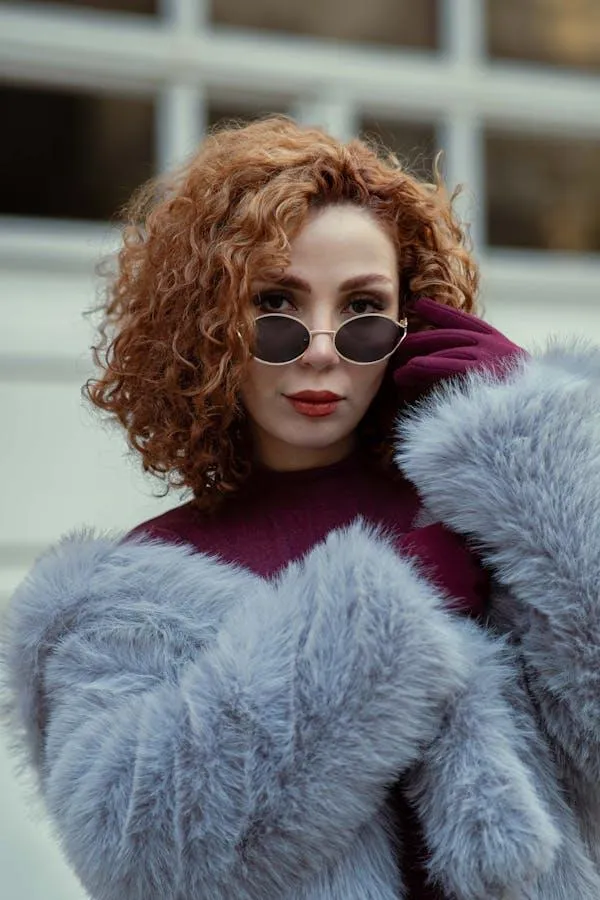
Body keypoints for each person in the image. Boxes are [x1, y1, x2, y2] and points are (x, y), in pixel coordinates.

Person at [1, 116, 600, 900]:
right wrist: (389, 611)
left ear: (409, 323)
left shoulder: (491, 519)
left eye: (362, 310)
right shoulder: (128, 589)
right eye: (277, 304)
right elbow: (147, 855)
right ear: (210, 325)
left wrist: (542, 452)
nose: (321, 346)